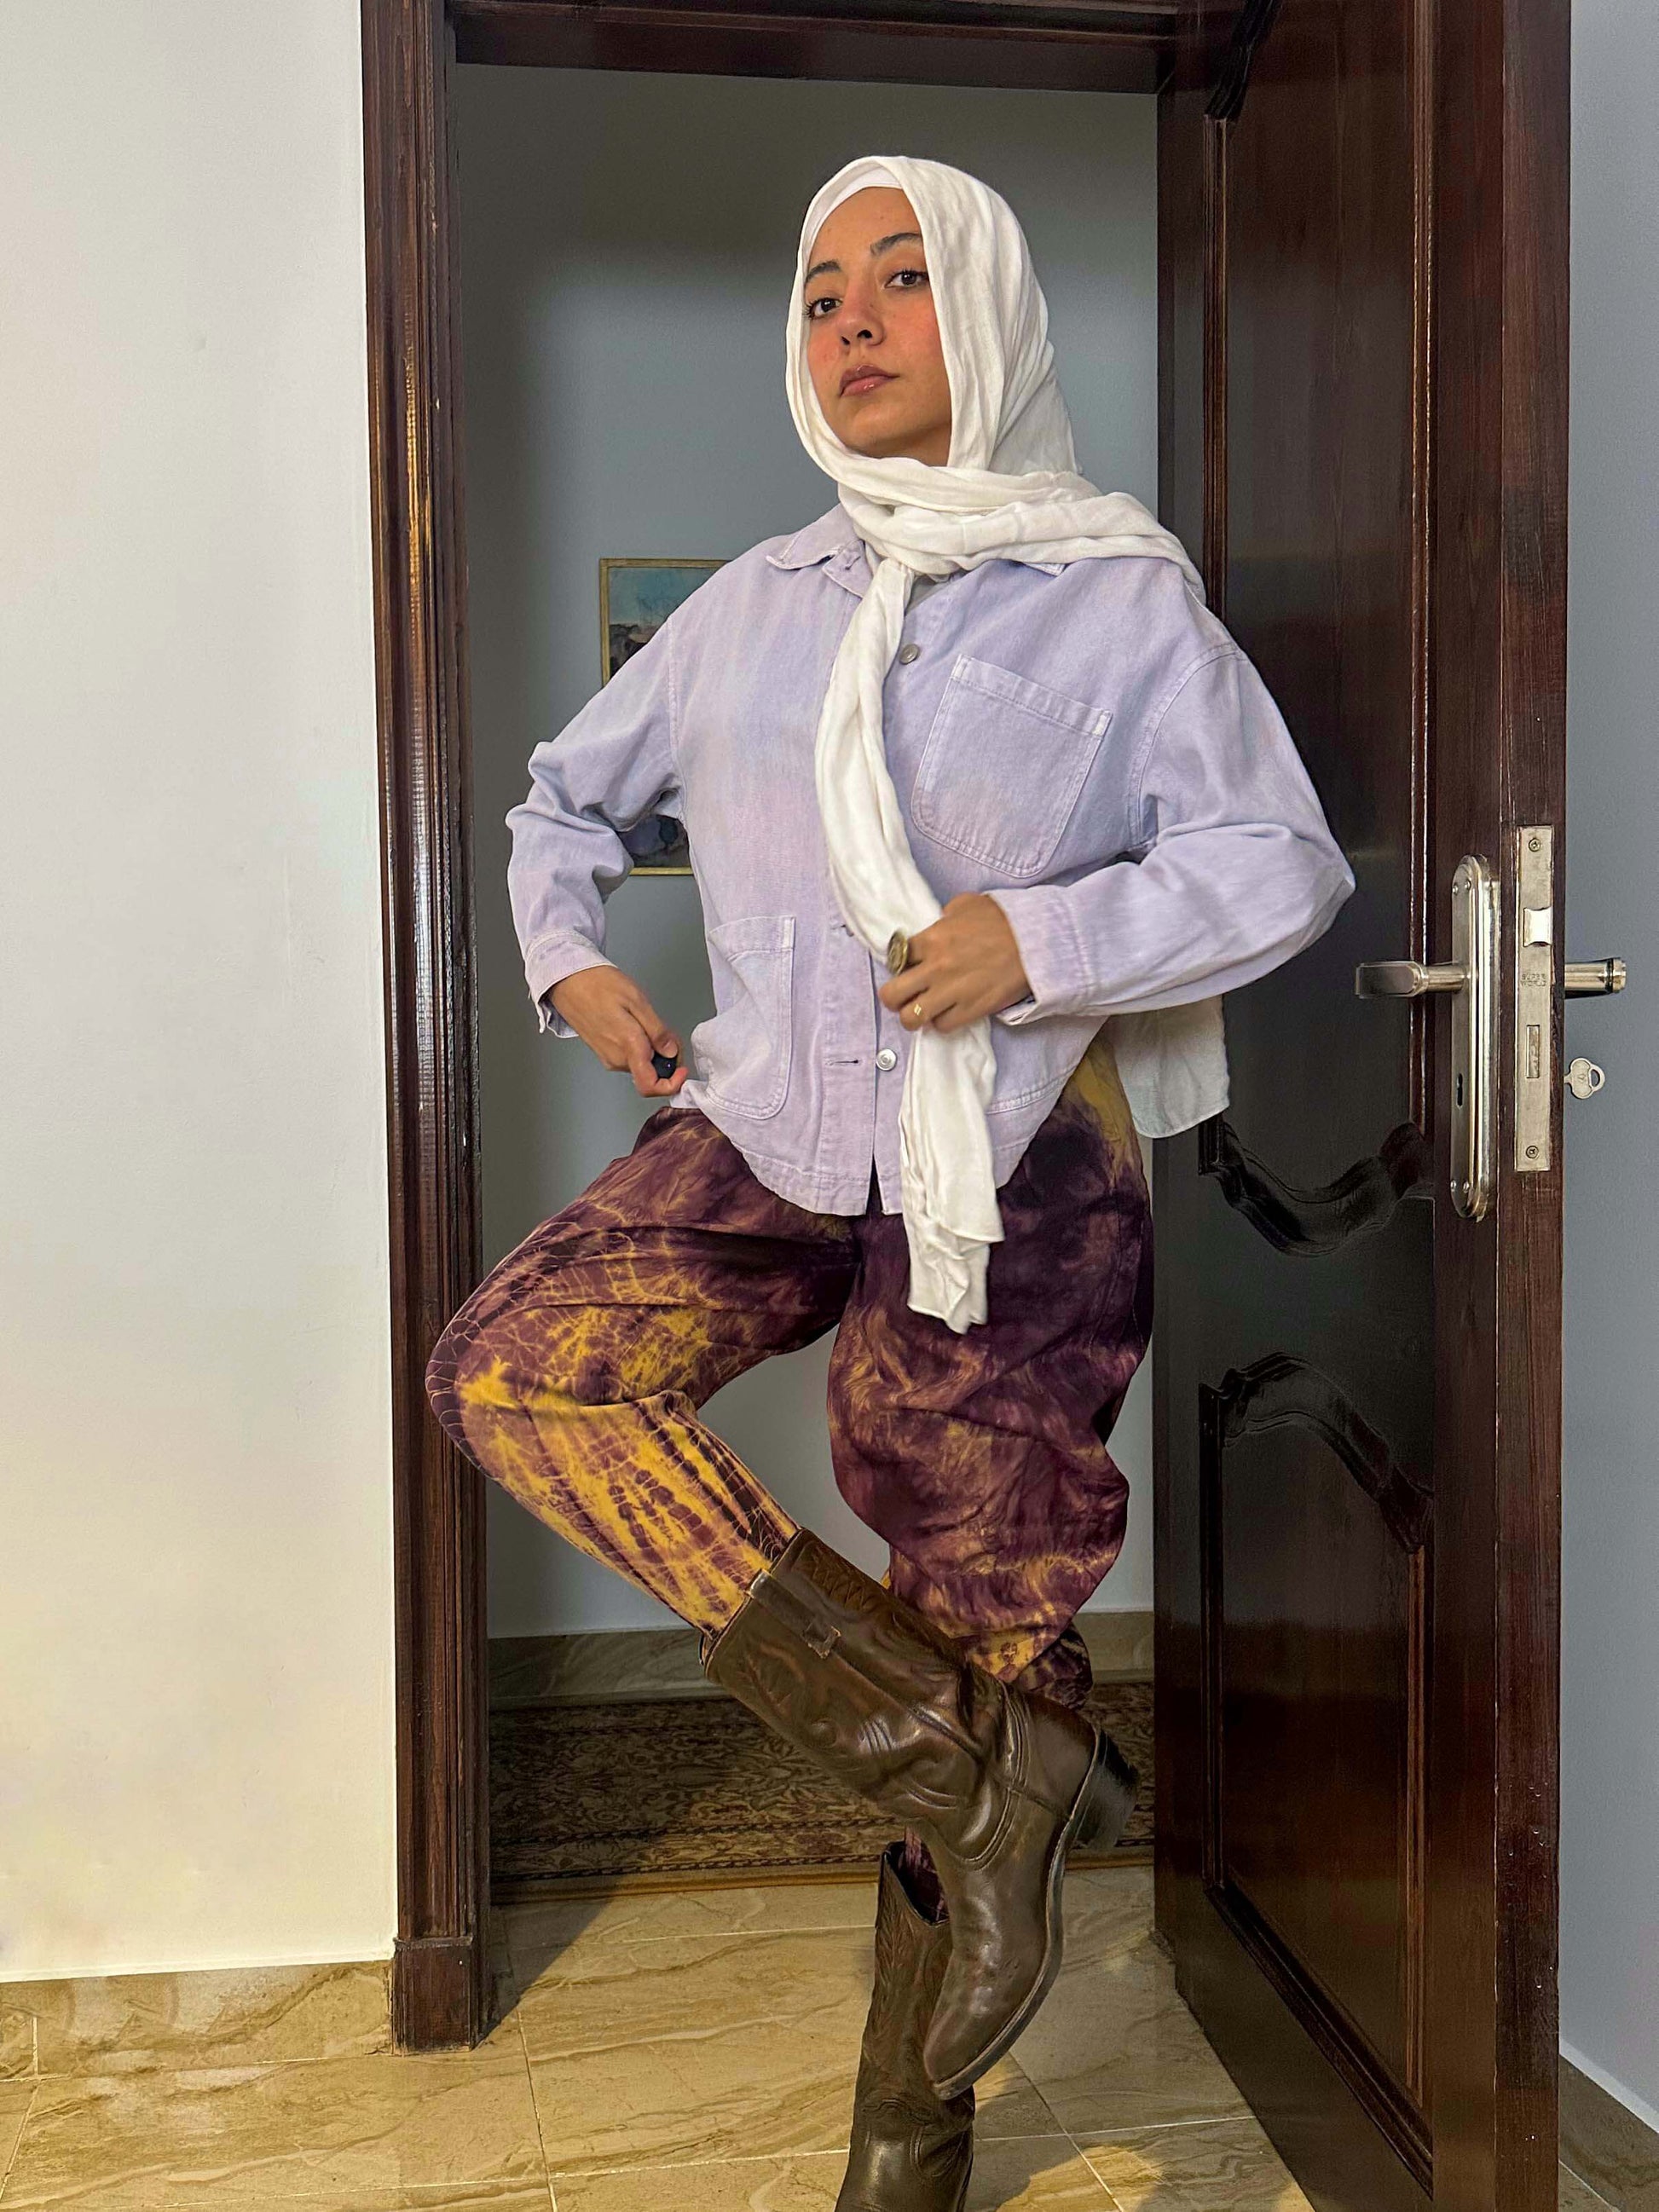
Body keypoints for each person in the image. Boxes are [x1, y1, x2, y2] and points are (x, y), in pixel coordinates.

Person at [425, 153, 1354, 2211]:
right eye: (820, 286)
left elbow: (1279, 860)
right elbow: (562, 801)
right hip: (764, 1118)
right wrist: (570, 956)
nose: (847, 318)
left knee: (983, 1607)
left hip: (1008, 1166)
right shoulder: (750, 605)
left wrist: (1049, 934)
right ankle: (970, 1767)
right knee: (513, 1368)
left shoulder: (1120, 599)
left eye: (901, 276)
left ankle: (907, 2139)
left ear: (991, 313)